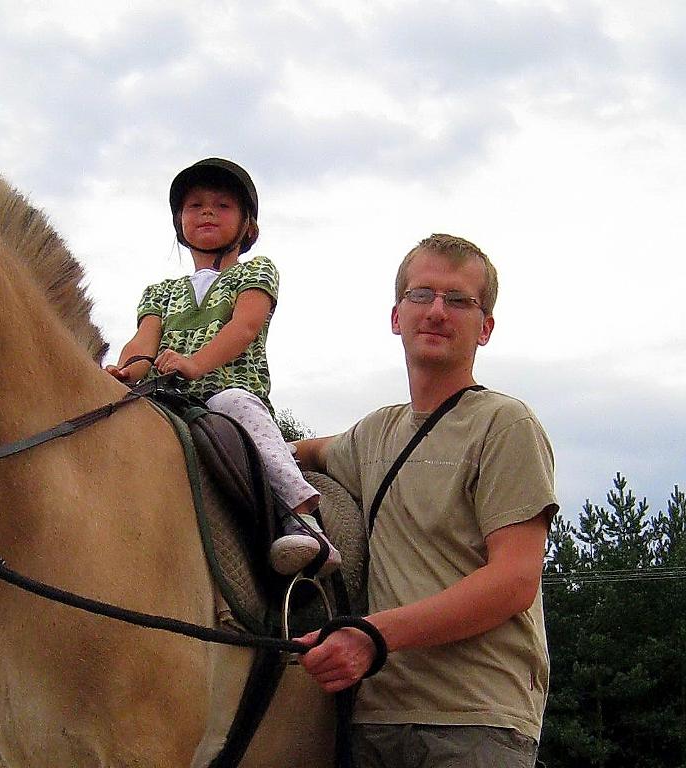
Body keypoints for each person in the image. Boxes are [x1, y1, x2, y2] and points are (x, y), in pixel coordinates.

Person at [293, 234, 557, 767]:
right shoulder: (374, 434)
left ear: (484, 328)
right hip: (374, 721)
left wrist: (371, 637)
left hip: (474, 721)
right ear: (396, 317)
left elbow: (514, 580)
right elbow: (304, 451)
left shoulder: (505, 425)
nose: (437, 311)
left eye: (459, 300)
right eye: (422, 295)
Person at [106, 158, 341, 577]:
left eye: (222, 205)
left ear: (248, 225)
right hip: (168, 401)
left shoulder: (255, 271)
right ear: (180, 222)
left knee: (236, 403)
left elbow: (245, 326)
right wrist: (125, 370)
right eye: (195, 205)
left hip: (226, 397)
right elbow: (144, 342)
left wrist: (195, 364)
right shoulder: (162, 292)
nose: (207, 212)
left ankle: (302, 518)